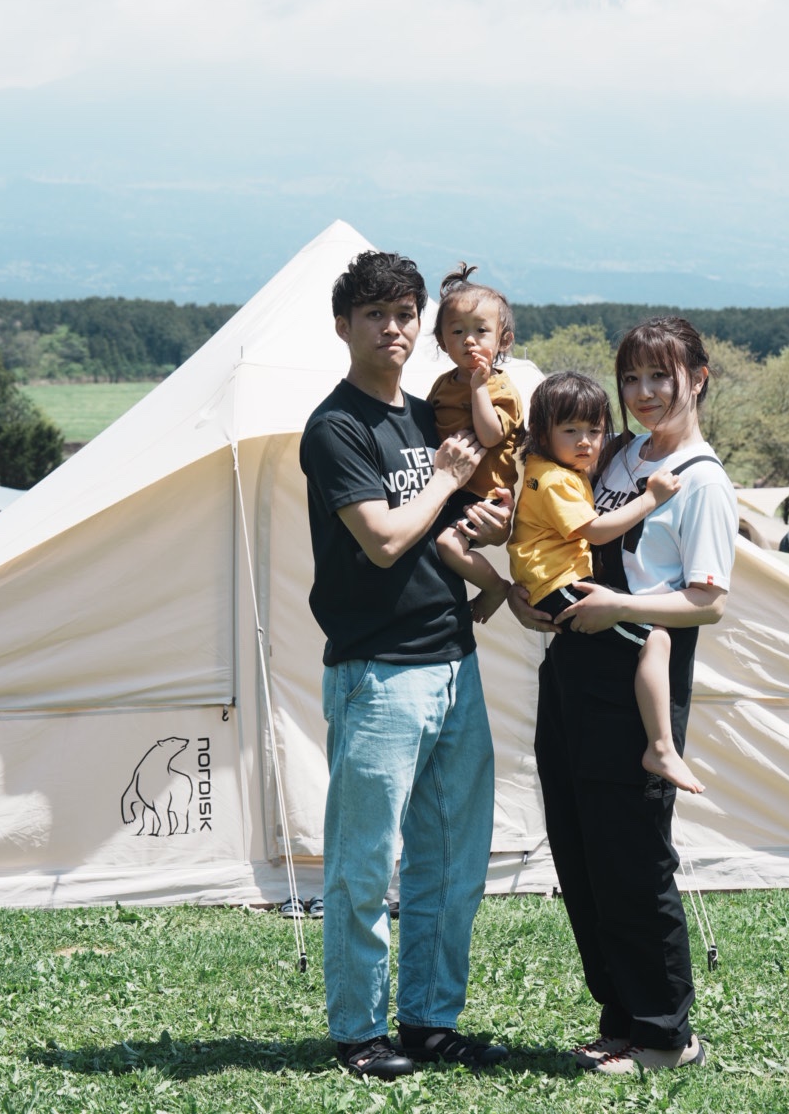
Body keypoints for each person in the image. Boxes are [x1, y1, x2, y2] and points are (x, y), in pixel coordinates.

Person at [299, 250, 512, 1080]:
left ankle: (428, 1019)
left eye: (405, 314)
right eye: (376, 315)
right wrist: (449, 478)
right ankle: (358, 1032)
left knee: (451, 860)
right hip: (378, 674)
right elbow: (386, 540)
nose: (394, 328)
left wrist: (488, 528)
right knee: (364, 862)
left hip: (454, 661)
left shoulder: (430, 416)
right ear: (344, 326)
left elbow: (450, 530)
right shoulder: (336, 427)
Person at [508, 316, 736, 1075]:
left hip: (638, 676)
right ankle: (620, 1020)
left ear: (697, 378)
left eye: (660, 377)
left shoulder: (701, 482)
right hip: (572, 664)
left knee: (633, 859)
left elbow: (707, 602)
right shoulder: (612, 452)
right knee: (580, 852)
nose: (642, 394)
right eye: (631, 378)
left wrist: (621, 609)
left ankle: (666, 1034)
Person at [507, 371, 702, 793]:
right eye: (571, 430)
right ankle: (661, 747)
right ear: (541, 432)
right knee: (657, 639)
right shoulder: (557, 480)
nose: (585, 442)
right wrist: (651, 498)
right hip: (560, 585)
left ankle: (660, 746)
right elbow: (595, 531)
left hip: (547, 583)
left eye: (595, 431)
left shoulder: (547, 468)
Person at [427, 264, 525, 625]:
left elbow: (490, 436)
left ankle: (497, 587)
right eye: (457, 331)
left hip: (484, 495)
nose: (470, 340)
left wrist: (478, 388)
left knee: (448, 545)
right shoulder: (441, 384)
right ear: (442, 342)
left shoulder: (500, 388)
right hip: (449, 488)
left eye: (481, 331)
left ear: (503, 341)